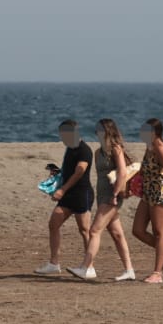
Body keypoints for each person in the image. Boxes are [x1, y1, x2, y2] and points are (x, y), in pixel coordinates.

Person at [69, 119, 137, 282]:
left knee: (94, 231)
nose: (96, 133)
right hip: (102, 196)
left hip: (111, 197)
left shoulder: (116, 149)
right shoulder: (98, 152)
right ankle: (129, 270)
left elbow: (121, 172)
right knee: (117, 234)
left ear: (107, 131)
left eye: (99, 130)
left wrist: (115, 194)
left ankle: (86, 268)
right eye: (96, 130)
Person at [36, 119, 94, 274]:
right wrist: (58, 173)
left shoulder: (84, 150)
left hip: (82, 193)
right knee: (53, 223)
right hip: (68, 194)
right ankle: (54, 263)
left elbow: (80, 171)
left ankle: (89, 266)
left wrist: (62, 189)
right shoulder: (70, 148)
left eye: (64, 134)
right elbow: (70, 170)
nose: (61, 137)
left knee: (84, 230)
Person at [130, 118, 163, 284]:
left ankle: (157, 273)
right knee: (137, 230)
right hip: (148, 192)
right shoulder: (149, 145)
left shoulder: (159, 146)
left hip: (160, 193)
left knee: (159, 233)